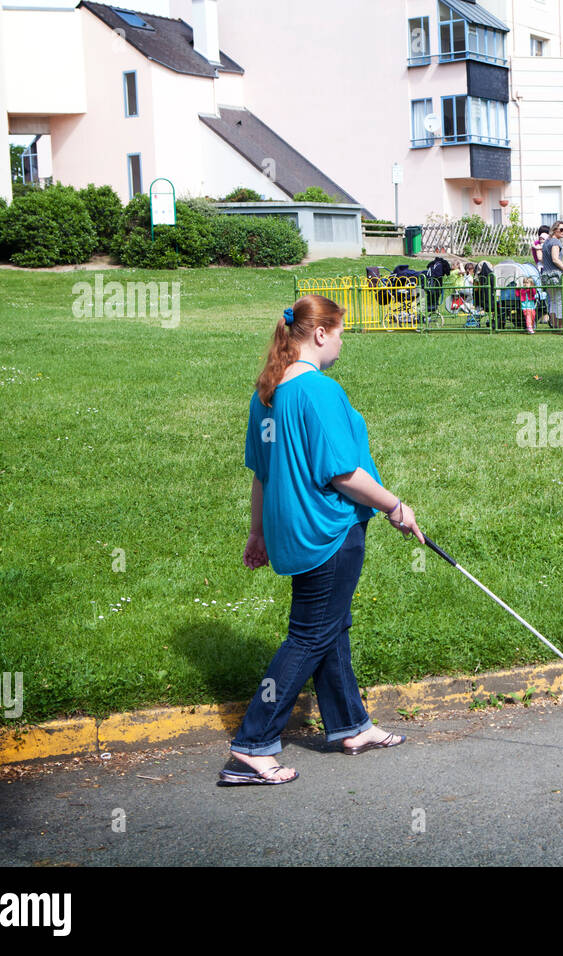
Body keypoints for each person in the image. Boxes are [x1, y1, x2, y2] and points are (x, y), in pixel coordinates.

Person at [226, 295, 424, 786]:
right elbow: (343, 473)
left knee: (330, 626)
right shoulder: (318, 391)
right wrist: (395, 506)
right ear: (319, 334)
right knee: (310, 634)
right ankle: (253, 744)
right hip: (330, 531)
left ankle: (350, 726)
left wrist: (257, 533)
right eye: (339, 332)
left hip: (293, 531)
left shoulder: (267, 393)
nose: (341, 340)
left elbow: (262, 475)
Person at [540, 220, 563, 329]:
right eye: (561, 229)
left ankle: (554, 325)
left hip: (546, 275)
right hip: (557, 277)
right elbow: (555, 259)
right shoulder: (555, 242)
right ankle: (560, 327)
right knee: (561, 301)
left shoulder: (545, 243)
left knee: (552, 301)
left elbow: (543, 260)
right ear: (554, 230)